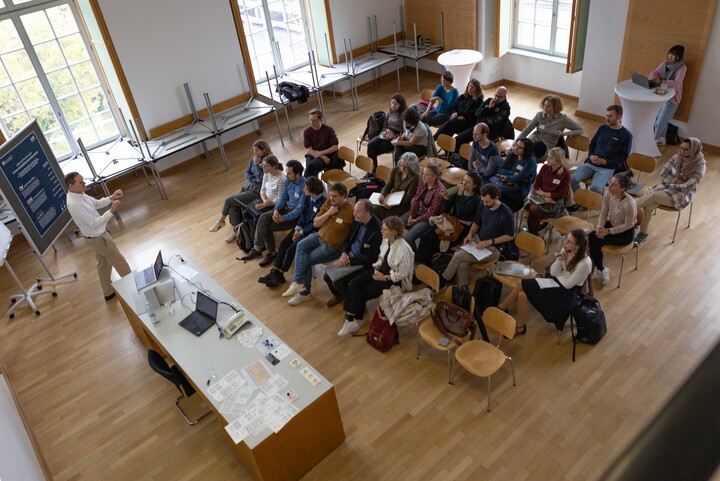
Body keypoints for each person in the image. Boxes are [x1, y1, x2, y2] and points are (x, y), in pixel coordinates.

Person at [499, 229, 591, 334]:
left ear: (577, 246)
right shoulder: (568, 250)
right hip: (555, 283)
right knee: (522, 295)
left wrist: (563, 268)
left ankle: (501, 307)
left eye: (569, 241)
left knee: (522, 284)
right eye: (566, 239)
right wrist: (560, 260)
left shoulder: (585, 264)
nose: (565, 243)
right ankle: (520, 328)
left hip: (565, 294)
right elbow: (553, 272)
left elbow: (568, 285)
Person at [338, 216, 414, 336]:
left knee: (362, 292)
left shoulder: (402, 249)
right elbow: (382, 257)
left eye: (384, 229)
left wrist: (383, 277)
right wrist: (377, 267)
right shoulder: (386, 240)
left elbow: (402, 274)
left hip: (391, 279)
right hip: (379, 271)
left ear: (393, 232)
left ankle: (355, 320)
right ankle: (352, 318)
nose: (381, 231)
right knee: (354, 283)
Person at [282, 182, 354, 306]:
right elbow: (316, 223)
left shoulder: (351, 211)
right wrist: (329, 213)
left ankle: (305, 293)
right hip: (318, 236)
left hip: (332, 246)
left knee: (306, 260)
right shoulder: (329, 203)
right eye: (331, 195)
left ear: (344, 196)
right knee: (300, 246)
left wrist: (346, 252)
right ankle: (298, 283)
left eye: (335, 196)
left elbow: (353, 236)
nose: (332, 198)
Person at [65, 172, 131, 301]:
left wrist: (111, 197)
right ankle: (135, 285)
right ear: (71, 186)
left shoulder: (79, 194)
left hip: (93, 238)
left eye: (83, 180)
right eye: (81, 182)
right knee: (119, 261)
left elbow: (97, 203)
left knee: (103, 264)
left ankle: (108, 292)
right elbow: (95, 224)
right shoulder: (74, 204)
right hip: (99, 237)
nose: (84, 184)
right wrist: (112, 210)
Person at [634, 137, 706, 244]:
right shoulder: (677, 157)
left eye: (686, 150)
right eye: (681, 148)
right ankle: (643, 233)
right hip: (667, 187)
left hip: (682, 194)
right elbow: (662, 174)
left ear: (694, 150)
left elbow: (687, 187)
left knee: (654, 196)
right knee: (648, 206)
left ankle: (627, 209)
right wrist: (676, 182)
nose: (682, 151)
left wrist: (672, 183)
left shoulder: (700, 166)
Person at [258, 177, 326, 288]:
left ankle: (280, 274)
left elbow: (315, 224)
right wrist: (297, 229)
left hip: (312, 232)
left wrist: (302, 232)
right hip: (302, 228)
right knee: (284, 244)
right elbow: (303, 215)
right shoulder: (309, 198)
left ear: (312, 190)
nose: (303, 189)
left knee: (291, 250)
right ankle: (274, 271)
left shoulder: (323, 203)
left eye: (306, 187)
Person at [441, 184, 515, 286]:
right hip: (478, 240)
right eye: (483, 201)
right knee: (462, 264)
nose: (485, 204)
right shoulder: (483, 205)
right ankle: (463, 289)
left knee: (458, 256)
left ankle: (444, 279)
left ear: (496, 198)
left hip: (493, 247)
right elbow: (476, 222)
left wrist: (490, 241)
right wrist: (470, 234)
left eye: (488, 201)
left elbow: (510, 236)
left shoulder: (506, 214)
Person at [241, 159, 306, 263]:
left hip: (295, 217)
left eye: (289, 173)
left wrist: (283, 218)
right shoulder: (289, 181)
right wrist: (276, 210)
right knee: (263, 217)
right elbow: (283, 198)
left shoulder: (305, 186)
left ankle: (271, 253)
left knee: (266, 227)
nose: (286, 175)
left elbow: (299, 210)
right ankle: (257, 248)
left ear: (297, 174)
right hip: (284, 209)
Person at [323, 199, 382, 308]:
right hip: (350, 255)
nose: (354, 213)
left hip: (363, 262)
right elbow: (348, 240)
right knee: (327, 276)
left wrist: (349, 261)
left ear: (367, 214)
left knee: (338, 281)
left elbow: (372, 258)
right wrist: (344, 253)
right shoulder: (357, 220)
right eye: (354, 210)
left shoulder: (377, 231)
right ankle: (339, 295)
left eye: (357, 211)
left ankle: (356, 305)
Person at [208, 139, 270, 242]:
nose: (255, 153)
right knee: (232, 206)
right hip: (249, 187)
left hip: (257, 192)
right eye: (254, 150)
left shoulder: (266, 162)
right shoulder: (253, 160)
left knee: (228, 200)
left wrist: (256, 167)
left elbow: (261, 179)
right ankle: (236, 231)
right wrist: (254, 178)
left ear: (264, 150)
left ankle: (221, 221)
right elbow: (246, 174)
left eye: (257, 150)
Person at [416, 171, 482, 266]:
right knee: (426, 236)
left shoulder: (476, 199)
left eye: (467, 182)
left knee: (434, 241)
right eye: (463, 180)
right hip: (450, 221)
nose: (463, 183)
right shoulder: (459, 191)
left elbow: (460, 212)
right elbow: (446, 210)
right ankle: (421, 262)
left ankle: (428, 264)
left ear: (474, 185)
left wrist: (459, 196)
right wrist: (447, 198)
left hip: (461, 227)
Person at [570, 105, 632, 195]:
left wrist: (605, 162)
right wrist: (591, 156)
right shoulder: (602, 128)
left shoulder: (626, 135)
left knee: (595, 188)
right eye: (606, 115)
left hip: (607, 168)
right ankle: (582, 199)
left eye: (610, 116)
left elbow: (623, 157)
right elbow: (592, 144)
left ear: (619, 117)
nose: (607, 118)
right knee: (572, 179)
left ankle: (597, 205)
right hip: (591, 163)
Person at [588, 173, 637, 286]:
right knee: (592, 236)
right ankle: (599, 267)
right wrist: (600, 227)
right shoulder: (608, 194)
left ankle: (600, 268)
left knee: (596, 240)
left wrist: (608, 231)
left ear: (622, 188)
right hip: (613, 224)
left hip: (625, 233)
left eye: (614, 185)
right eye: (610, 182)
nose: (609, 186)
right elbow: (604, 213)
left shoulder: (629, 203)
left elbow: (628, 225)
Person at [236, 155, 285, 252]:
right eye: (263, 165)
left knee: (256, 218)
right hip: (265, 200)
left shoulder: (281, 179)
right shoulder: (266, 174)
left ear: (274, 166)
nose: (263, 168)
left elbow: (280, 198)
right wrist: (264, 200)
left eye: (266, 166)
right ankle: (253, 240)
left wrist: (265, 204)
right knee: (246, 213)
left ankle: (260, 245)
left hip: (274, 205)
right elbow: (262, 190)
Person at [517, 94, 583, 160]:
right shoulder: (539, 115)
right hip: (533, 141)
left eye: (548, 106)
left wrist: (565, 133)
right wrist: (515, 143)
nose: (545, 107)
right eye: (544, 105)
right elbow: (527, 129)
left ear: (555, 107)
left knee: (536, 146)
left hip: (545, 148)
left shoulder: (562, 119)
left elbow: (579, 129)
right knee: (522, 146)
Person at [526, 147, 570, 236]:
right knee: (532, 209)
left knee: (533, 210)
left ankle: (533, 234)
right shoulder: (545, 168)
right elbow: (537, 184)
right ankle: (534, 232)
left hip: (554, 202)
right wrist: (541, 194)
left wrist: (547, 195)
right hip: (540, 198)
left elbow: (562, 194)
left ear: (557, 160)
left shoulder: (566, 174)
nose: (547, 159)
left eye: (550, 158)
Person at [401, 163, 446, 250]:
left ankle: (414, 258)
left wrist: (415, 220)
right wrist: (411, 215)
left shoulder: (439, 190)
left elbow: (432, 212)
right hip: (419, 210)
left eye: (427, 175)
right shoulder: (423, 182)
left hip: (429, 218)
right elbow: (417, 199)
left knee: (409, 238)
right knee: (396, 225)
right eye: (423, 174)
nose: (424, 177)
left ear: (434, 176)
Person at [649, 45, 686, 145]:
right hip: (661, 95)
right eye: (670, 53)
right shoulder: (665, 63)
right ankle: (660, 139)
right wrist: (653, 78)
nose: (670, 56)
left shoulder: (682, 68)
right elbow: (653, 72)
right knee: (657, 119)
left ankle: (652, 143)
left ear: (679, 56)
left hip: (672, 99)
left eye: (674, 55)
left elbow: (677, 84)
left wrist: (661, 81)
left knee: (660, 122)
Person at [489, 138, 537, 212]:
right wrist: (512, 173)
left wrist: (506, 176)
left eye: (520, 147)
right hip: (505, 184)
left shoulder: (531, 161)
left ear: (526, 150)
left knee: (496, 202)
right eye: (516, 145)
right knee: (489, 195)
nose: (516, 148)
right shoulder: (512, 154)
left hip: (519, 189)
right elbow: (501, 170)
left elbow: (520, 178)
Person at [366, 93, 407, 173]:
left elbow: (405, 132)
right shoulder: (390, 112)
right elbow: (384, 126)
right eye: (392, 103)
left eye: (396, 104)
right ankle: (373, 171)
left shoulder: (403, 115)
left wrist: (394, 136)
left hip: (396, 137)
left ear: (400, 105)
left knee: (374, 149)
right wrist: (387, 131)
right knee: (370, 145)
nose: (393, 105)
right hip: (386, 132)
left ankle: (374, 172)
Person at [374, 152, 420, 219]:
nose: (402, 168)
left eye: (405, 167)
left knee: (388, 217)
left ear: (412, 167)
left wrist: (393, 204)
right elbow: (388, 185)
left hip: (402, 204)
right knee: (375, 208)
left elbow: (408, 197)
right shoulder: (395, 169)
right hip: (391, 198)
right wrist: (383, 195)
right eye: (401, 165)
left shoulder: (415, 178)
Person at [303, 109, 342, 179]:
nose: (311, 123)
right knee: (310, 165)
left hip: (328, 153)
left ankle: (309, 185)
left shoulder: (329, 130)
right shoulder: (307, 131)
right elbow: (309, 149)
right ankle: (311, 184)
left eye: (314, 120)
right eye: (310, 120)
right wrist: (322, 156)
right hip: (314, 154)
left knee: (311, 166)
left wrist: (321, 153)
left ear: (320, 119)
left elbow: (335, 147)